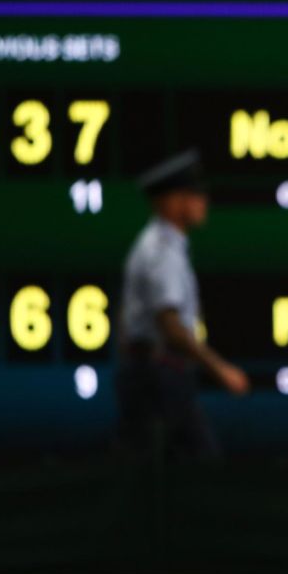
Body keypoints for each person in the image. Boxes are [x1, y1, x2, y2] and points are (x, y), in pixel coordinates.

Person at [115, 149, 249, 461]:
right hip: (158, 380)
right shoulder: (162, 252)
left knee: (150, 473)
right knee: (196, 467)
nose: (202, 203)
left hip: (149, 375)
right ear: (171, 202)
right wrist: (222, 369)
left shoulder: (156, 245)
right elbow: (172, 328)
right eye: (193, 195)